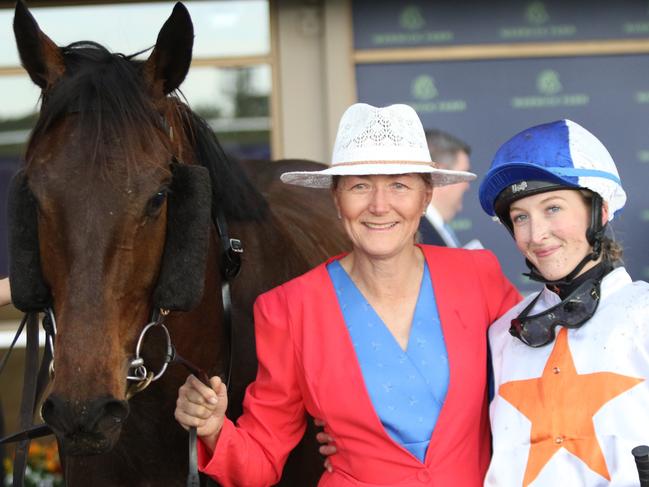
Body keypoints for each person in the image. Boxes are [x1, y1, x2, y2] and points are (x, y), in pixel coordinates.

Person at [174, 103, 520, 487]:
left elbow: (536, 385)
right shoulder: (289, 309)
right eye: (359, 186)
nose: (378, 205)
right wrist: (213, 428)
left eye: (399, 185)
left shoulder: (477, 277)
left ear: (425, 198)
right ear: (336, 199)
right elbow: (261, 460)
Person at [478, 119, 649, 486]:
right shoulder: (501, 335)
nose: (536, 234)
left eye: (552, 208)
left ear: (599, 210)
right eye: (520, 217)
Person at [419, 129, 472, 247]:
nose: (467, 186)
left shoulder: (434, 228)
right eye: (463, 174)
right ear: (442, 175)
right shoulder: (417, 235)